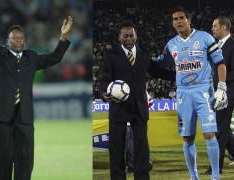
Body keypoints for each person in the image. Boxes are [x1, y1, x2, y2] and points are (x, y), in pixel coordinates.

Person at [0, 6, 73, 180]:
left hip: (25, 118)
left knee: (25, 163)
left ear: (24, 40)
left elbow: (54, 58)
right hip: (1, 118)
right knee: (2, 164)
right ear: (7, 41)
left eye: (21, 38)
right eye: (14, 38)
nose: (18, 40)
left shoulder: (31, 57)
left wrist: (63, 37)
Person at [157, 7, 228, 180]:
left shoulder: (205, 37)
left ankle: (215, 177)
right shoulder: (171, 44)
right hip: (183, 94)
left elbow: (220, 63)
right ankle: (193, 177)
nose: (178, 21)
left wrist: (222, 87)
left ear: (189, 20)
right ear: (172, 23)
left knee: (209, 134)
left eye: (181, 18)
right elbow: (159, 64)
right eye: (175, 19)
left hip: (204, 90)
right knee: (187, 137)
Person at [100, 20, 175, 180]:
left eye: (131, 35)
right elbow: (105, 79)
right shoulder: (111, 54)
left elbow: (157, 71)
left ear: (136, 37)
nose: (128, 38)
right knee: (117, 148)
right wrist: (104, 92)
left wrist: (178, 76)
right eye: (125, 35)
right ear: (120, 37)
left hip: (139, 107)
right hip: (118, 107)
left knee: (141, 148)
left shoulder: (143, 54)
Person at [204, 16, 234, 175]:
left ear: (223, 27)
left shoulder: (232, 45)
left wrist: (223, 90)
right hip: (215, 90)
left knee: (219, 129)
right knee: (222, 129)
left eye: (215, 26)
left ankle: (216, 167)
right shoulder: (216, 46)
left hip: (227, 91)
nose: (212, 28)